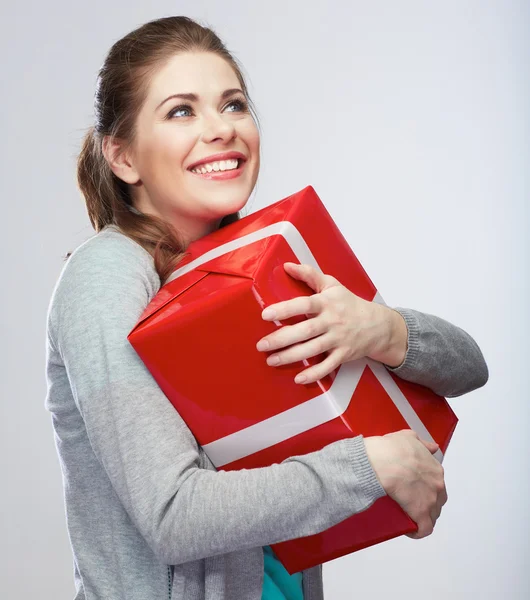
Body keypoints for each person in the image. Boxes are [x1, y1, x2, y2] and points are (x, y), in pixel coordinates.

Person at [44, 15, 489, 600]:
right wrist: (370, 469)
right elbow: (175, 515)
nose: (221, 129)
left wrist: (382, 329)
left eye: (233, 105)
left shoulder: (258, 256)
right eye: (182, 111)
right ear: (122, 157)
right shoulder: (106, 274)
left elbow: (470, 368)